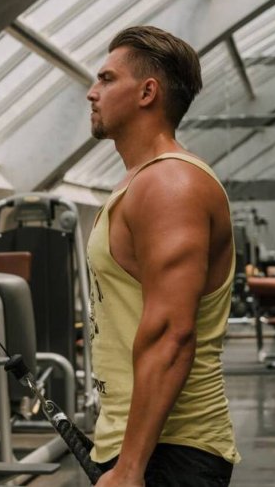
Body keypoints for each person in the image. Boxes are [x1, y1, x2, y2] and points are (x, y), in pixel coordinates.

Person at [85, 25, 239, 487]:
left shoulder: (170, 184)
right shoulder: (140, 181)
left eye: (107, 79)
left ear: (147, 92)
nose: (92, 92)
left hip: (169, 453)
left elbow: (172, 332)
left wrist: (131, 467)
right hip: (139, 442)